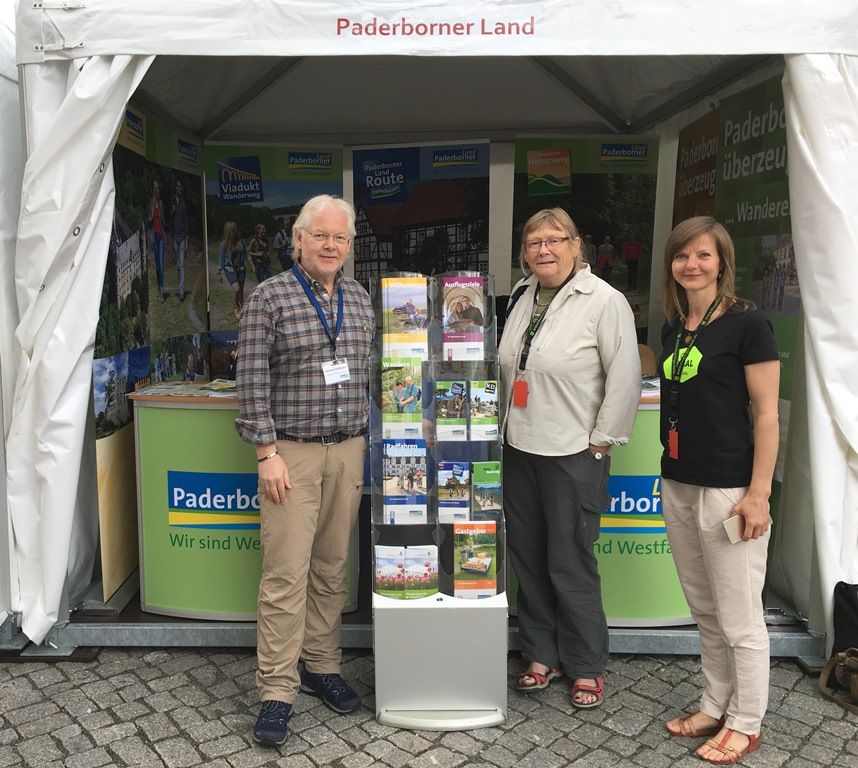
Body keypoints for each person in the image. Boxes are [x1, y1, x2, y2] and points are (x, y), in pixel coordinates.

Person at [236, 195, 373, 747]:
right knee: (286, 572)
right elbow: (250, 383)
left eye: (341, 238)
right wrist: (266, 453)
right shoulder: (268, 298)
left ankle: (321, 665)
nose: (331, 245)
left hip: (349, 449)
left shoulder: (361, 300)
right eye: (320, 235)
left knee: (332, 566)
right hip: (289, 454)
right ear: (297, 239)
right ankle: (276, 690)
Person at [498, 208, 640, 709]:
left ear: (576, 245)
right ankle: (540, 652)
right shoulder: (522, 295)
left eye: (555, 239)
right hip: (519, 448)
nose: (544, 249)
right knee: (528, 557)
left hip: (573, 450)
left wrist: (602, 441)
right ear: (525, 251)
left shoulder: (605, 300)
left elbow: (624, 376)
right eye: (534, 241)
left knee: (571, 559)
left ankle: (585, 663)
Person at [659, 216, 779, 765]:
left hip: (730, 486)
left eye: (703, 255)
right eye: (683, 256)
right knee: (705, 609)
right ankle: (715, 702)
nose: (692, 265)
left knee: (740, 616)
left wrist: (759, 494)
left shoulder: (748, 325)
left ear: (722, 261)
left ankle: (747, 720)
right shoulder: (675, 326)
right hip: (679, 481)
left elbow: (768, 414)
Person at [217, 221, 248, 320]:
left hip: (241, 268)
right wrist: (219, 273)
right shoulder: (224, 244)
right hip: (230, 269)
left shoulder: (241, 241)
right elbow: (221, 259)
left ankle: (241, 306)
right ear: (230, 231)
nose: (237, 230)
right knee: (237, 289)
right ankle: (236, 307)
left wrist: (252, 264)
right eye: (235, 229)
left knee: (241, 289)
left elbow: (247, 254)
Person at [146, 179, 168, 302]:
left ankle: (161, 289)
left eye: (159, 189)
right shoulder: (151, 203)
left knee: (160, 264)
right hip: (154, 237)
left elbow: (163, 220)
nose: (158, 191)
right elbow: (149, 219)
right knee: (157, 265)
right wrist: (152, 211)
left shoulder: (161, 203)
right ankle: (159, 290)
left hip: (161, 236)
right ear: (153, 190)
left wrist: (160, 211)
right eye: (157, 189)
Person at [170, 179, 189, 301]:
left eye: (180, 186)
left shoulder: (183, 203)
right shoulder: (173, 202)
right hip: (174, 236)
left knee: (181, 265)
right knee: (178, 265)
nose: (179, 188)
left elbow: (186, 220)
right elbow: (171, 217)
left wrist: (187, 237)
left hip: (182, 237)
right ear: (175, 188)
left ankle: (182, 291)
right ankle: (179, 287)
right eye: (177, 186)